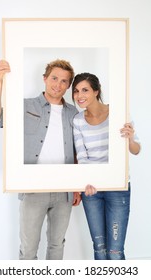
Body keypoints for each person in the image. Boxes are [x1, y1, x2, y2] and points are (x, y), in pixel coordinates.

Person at [0, 59, 81, 260]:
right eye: (54, 78)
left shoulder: (74, 113)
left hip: (64, 190)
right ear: (45, 78)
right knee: (28, 250)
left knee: (57, 245)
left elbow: (78, 149)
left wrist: (77, 186)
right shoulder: (24, 106)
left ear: (68, 85)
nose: (58, 84)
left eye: (64, 81)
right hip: (32, 188)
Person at [72, 72, 141, 260]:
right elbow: (82, 156)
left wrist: (130, 138)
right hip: (91, 190)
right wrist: (86, 182)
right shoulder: (78, 120)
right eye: (76, 91)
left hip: (117, 188)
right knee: (99, 248)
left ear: (96, 91)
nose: (80, 96)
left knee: (115, 251)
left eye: (85, 90)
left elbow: (136, 150)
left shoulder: (119, 112)